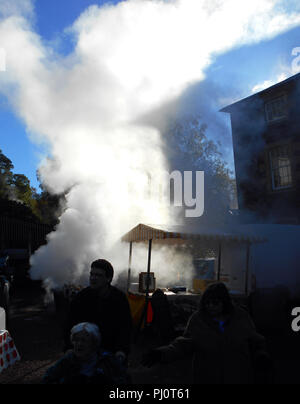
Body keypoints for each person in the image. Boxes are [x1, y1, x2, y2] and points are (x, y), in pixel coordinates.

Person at [142, 282, 272, 384]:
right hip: (207, 378)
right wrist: (160, 354)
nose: (210, 306)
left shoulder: (241, 318)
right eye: (207, 303)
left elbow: (255, 341)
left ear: (225, 302)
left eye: (215, 302)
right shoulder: (198, 320)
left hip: (238, 377)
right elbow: (183, 344)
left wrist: (260, 355)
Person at [64, 259, 132, 365]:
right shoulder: (81, 298)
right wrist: (68, 347)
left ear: (108, 279)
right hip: (85, 352)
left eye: (98, 275)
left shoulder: (119, 299)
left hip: (111, 351)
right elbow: (69, 323)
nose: (93, 278)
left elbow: (125, 326)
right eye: (92, 274)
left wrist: (122, 350)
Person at [44, 322, 126, 384]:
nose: (79, 344)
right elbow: (47, 379)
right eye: (76, 340)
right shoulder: (67, 361)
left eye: (84, 340)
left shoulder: (107, 361)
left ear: (94, 343)